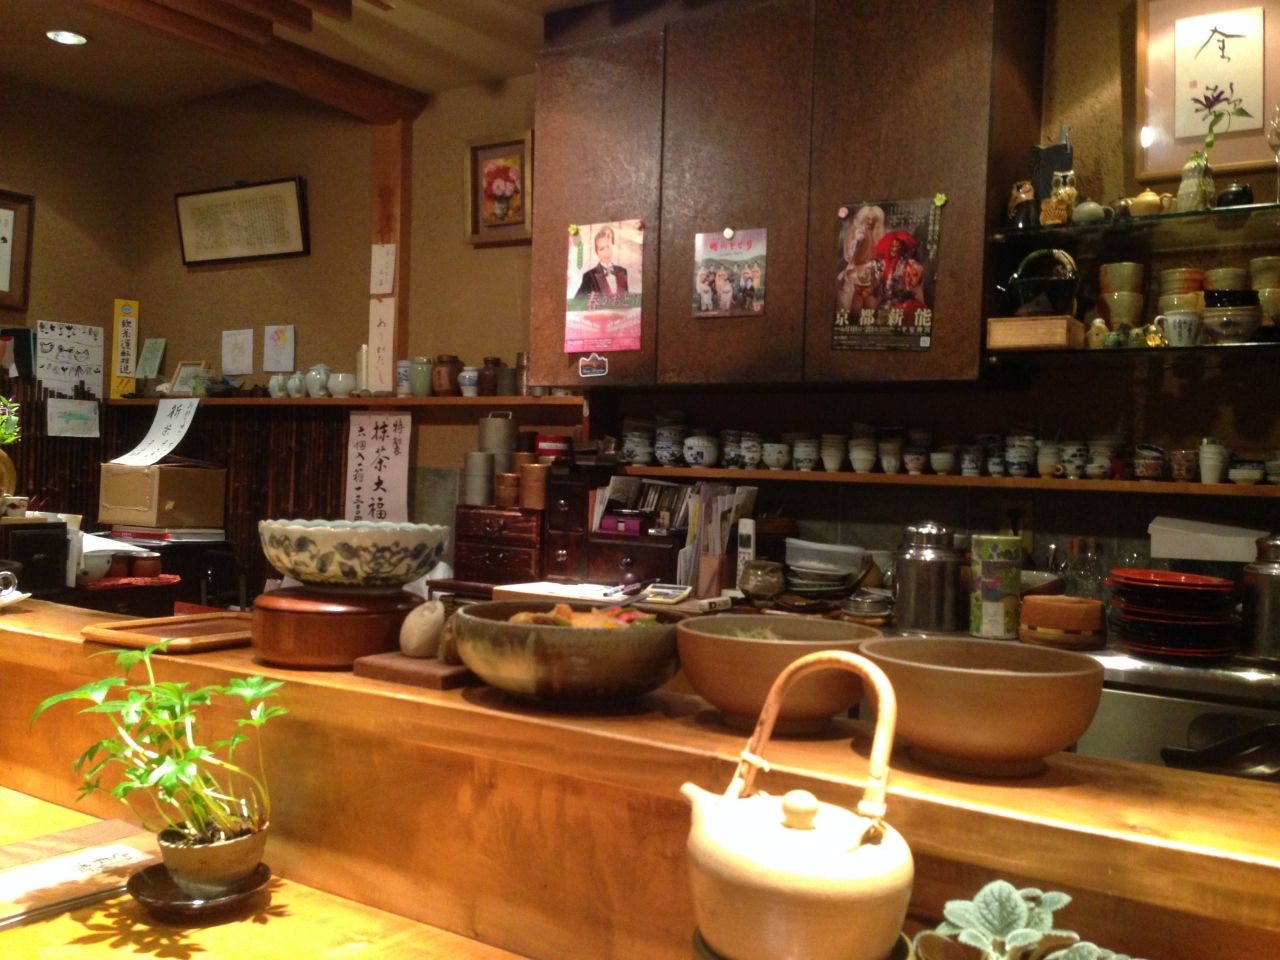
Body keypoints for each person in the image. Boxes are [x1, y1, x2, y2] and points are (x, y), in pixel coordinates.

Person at [836, 204, 885, 314]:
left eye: (873, 220)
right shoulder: (855, 233)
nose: (870, 222)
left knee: (871, 311)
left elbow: (881, 259)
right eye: (868, 219)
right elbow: (849, 256)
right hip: (854, 274)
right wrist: (857, 242)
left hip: (872, 276)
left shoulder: (880, 235)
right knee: (852, 310)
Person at [874, 230, 927, 318]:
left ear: (902, 248)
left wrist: (912, 278)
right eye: (892, 246)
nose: (894, 249)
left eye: (897, 246)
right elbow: (875, 288)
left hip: (902, 305)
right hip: (884, 304)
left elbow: (919, 273)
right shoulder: (882, 264)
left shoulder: (907, 263)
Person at [576, 226, 628, 299]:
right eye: (601, 249)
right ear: (596, 251)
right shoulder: (589, 276)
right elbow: (577, 302)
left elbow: (627, 299)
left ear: (613, 246)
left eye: (608, 247)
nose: (606, 252)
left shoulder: (622, 271)